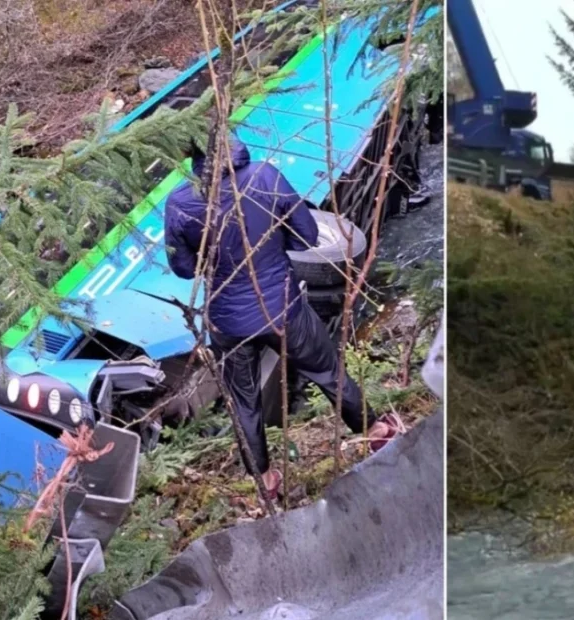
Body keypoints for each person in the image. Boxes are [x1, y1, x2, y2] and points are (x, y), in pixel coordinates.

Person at [164, 136, 399, 500]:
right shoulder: (265, 177)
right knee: (328, 372)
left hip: (226, 323)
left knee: (244, 403)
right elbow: (306, 235)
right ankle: (377, 434)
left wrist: (214, 259)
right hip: (281, 311)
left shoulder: (179, 202)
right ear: (233, 143)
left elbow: (182, 268)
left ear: (191, 156)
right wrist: (272, 246)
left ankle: (267, 483)